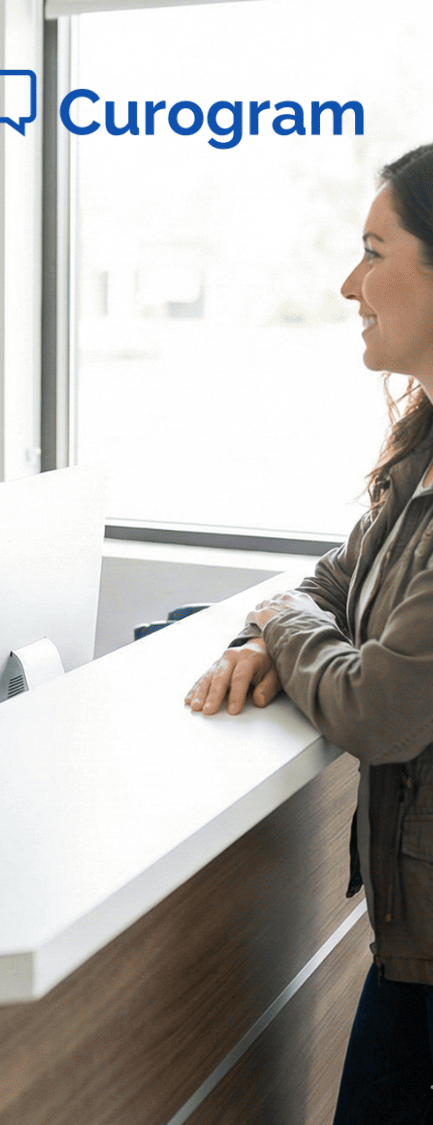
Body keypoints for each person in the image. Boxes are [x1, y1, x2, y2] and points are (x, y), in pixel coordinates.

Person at [183, 144, 433, 1123]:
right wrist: (266, 635)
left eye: (373, 250)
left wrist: (274, 623)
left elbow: (379, 707)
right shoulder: (419, 444)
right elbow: (340, 576)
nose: (347, 284)